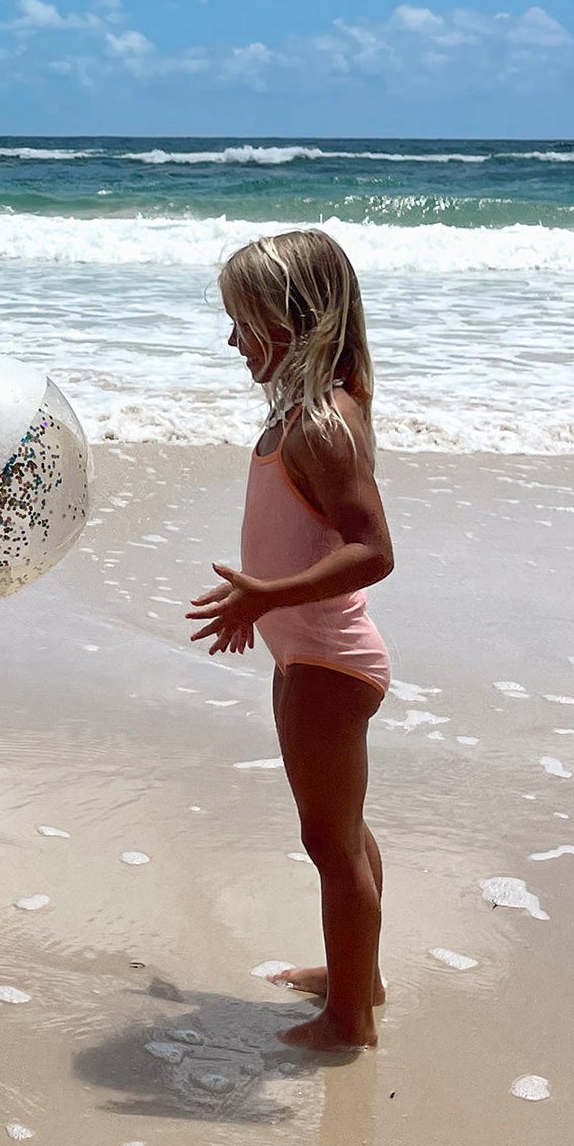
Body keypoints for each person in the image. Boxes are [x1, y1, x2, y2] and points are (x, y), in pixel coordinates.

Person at [187, 230, 394, 1052]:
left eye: (243, 321)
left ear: (291, 318)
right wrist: (269, 608)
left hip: (329, 661)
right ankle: (360, 979)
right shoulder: (297, 418)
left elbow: (374, 550)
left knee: (328, 842)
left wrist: (268, 595)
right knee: (342, 829)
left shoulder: (320, 424)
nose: (232, 340)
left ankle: (349, 1022)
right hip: (303, 655)